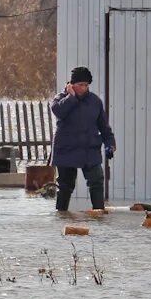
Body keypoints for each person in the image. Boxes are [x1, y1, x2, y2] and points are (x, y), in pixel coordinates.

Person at [49, 66, 115, 212]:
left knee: (97, 181)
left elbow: (104, 127)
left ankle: (98, 213)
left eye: (86, 85)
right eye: (80, 85)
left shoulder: (95, 101)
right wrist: (71, 98)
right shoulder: (60, 99)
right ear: (72, 85)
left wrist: (110, 144)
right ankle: (61, 214)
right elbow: (58, 112)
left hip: (89, 150)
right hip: (66, 149)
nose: (84, 88)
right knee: (65, 185)